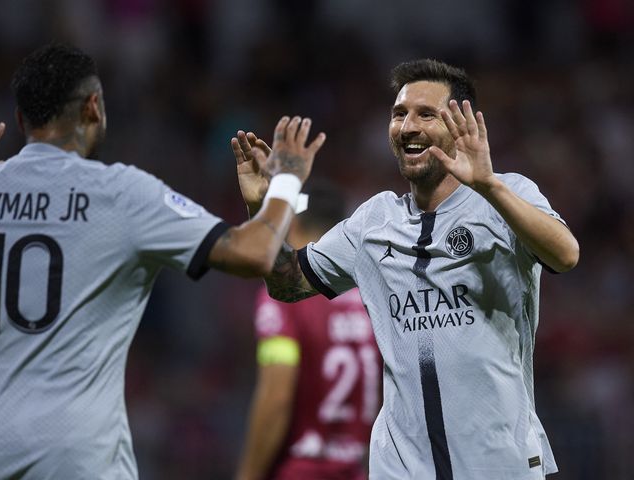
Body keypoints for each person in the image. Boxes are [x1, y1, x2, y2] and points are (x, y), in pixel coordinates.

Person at [0, 43, 326, 480]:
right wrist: (284, 181)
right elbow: (255, 252)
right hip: (76, 464)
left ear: (20, 120)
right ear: (94, 107)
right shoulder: (121, 193)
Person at [232, 59, 580, 479]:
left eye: (425, 114)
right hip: (400, 467)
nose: (407, 126)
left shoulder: (508, 195)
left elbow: (566, 255)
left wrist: (488, 185)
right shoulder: (372, 223)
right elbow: (287, 284)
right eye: (399, 114)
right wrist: (261, 208)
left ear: (461, 125)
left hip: (499, 462)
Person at [235, 181, 382, 480]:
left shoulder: (284, 298)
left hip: (300, 469)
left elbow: (277, 394)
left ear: (295, 224)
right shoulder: (369, 295)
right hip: (357, 469)